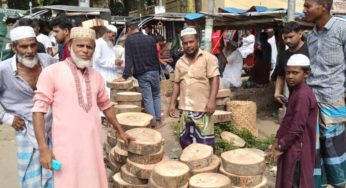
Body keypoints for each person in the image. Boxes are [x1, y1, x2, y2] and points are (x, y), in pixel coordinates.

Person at [32, 27, 134, 188]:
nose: (85, 50)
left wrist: (120, 131)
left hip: (92, 143)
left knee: (94, 180)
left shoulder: (96, 76)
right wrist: (43, 148)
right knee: (68, 181)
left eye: (90, 47)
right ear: (70, 46)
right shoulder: (52, 72)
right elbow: (38, 110)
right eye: (80, 46)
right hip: (65, 145)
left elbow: (106, 106)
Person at [0, 26, 56, 187]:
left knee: (55, 171)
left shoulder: (48, 61)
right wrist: (7, 118)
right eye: (24, 46)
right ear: (13, 47)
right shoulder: (3, 70)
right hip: (25, 128)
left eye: (33, 45)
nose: (30, 50)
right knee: (30, 176)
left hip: (53, 125)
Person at [304, 0, 346, 187]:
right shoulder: (311, 35)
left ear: (323, 6)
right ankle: (317, 183)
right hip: (312, 99)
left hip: (333, 99)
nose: (304, 10)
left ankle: (339, 183)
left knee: (333, 146)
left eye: (307, 6)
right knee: (313, 147)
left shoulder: (341, 29)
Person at [270, 54, 318, 188]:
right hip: (293, 145)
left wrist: (281, 146)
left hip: (297, 148)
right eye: (288, 73)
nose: (290, 76)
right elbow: (290, 117)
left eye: (295, 73)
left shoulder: (302, 94)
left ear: (306, 74)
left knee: (294, 181)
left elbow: (296, 127)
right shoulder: (297, 91)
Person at [168, 27, 220, 149]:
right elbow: (176, 83)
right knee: (185, 142)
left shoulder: (209, 58)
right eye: (185, 43)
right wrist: (172, 104)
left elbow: (215, 79)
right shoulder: (180, 62)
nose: (188, 45)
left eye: (191, 42)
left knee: (206, 144)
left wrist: (212, 101)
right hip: (184, 109)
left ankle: (206, 167)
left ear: (197, 41)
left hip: (202, 108)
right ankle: (189, 166)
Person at [115, 21, 162, 128]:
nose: (127, 34)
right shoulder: (151, 39)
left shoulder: (129, 41)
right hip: (154, 71)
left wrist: (124, 76)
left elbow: (129, 60)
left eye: (127, 31)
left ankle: (152, 122)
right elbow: (156, 58)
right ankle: (158, 120)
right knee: (156, 96)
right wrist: (158, 73)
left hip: (143, 73)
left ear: (129, 29)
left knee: (148, 98)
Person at [273, 22, 309, 104]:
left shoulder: (310, 50)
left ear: (300, 34)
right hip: (293, 98)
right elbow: (281, 75)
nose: (287, 40)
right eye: (285, 38)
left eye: (290, 37)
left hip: (311, 97)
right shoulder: (283, 55)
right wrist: (277, 92)